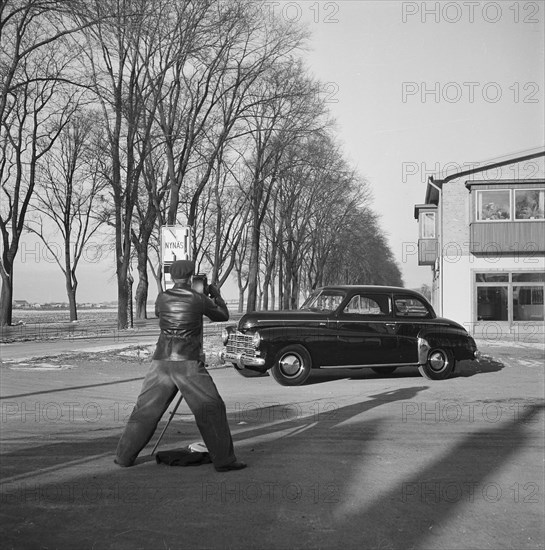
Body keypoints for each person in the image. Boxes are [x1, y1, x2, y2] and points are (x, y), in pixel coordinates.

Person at [115, 259, 246, 472]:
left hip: (161, 362)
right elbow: (223, 315)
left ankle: (123, 456)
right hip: (188, 364)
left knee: (145, 411)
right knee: (211, 409)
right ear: (191, 276)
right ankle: (225, 461)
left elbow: (159, 313)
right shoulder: (198, 298)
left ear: (172, 276)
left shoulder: (162, 298)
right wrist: (216, 295)